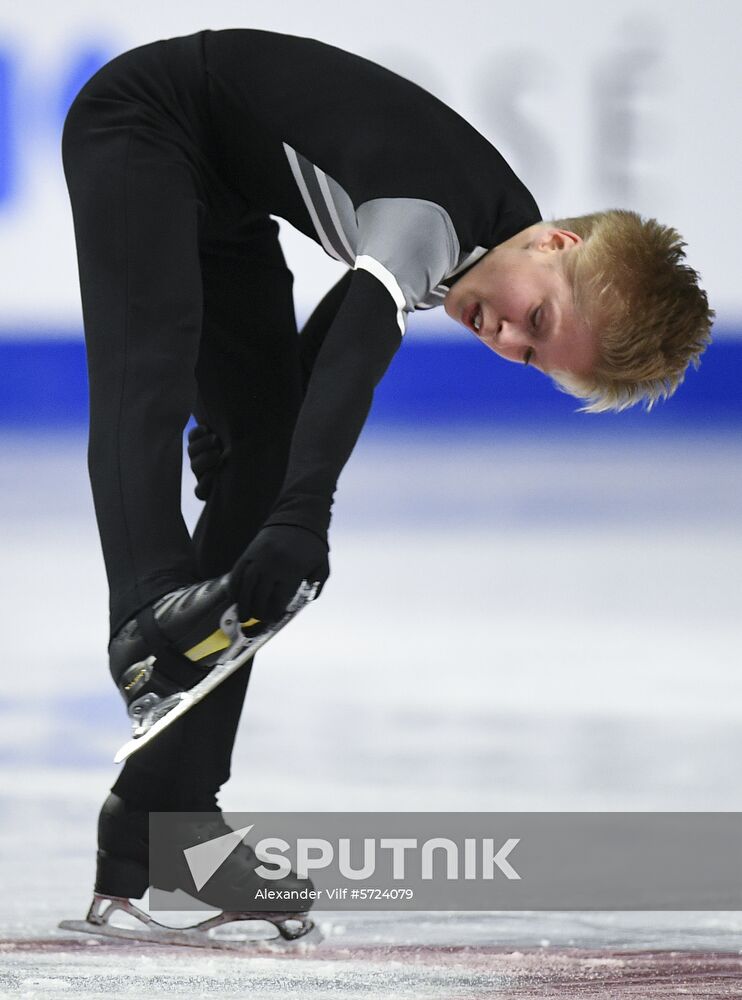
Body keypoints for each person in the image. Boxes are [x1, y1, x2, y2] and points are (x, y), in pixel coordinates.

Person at [61, 28, 714, 915]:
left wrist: (264, 453)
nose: (506, 339)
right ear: (558, 244)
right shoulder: (443, 214)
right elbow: (358, 349)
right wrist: (306, 510)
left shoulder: (490, 238)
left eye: (530, 357)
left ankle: (162, 824)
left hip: (219, 187)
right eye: (535, 319)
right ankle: (143, 618)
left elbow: (345, 332)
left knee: (263, 468)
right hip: (142, 120)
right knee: (150, 373)